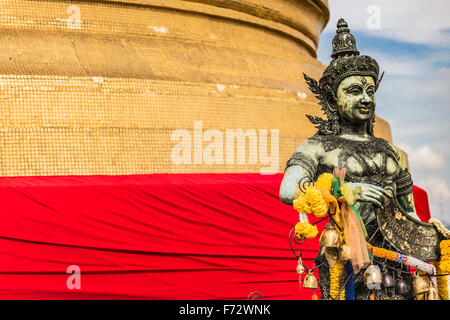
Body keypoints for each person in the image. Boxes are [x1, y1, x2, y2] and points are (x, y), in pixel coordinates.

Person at [279, 19, 424, 299]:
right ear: (333, 100)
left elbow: (410, 214)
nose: (366, 99)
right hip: (342, 263)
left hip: (395, 268)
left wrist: (433, 235)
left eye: (371, 91)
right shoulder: (317, 147)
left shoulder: (392, 154)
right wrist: (343, 193)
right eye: (355, 91)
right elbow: (288, 189)